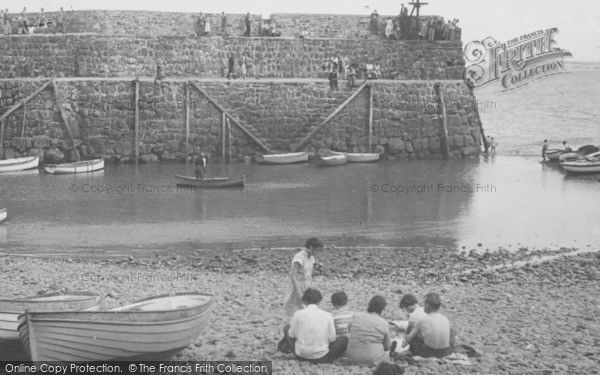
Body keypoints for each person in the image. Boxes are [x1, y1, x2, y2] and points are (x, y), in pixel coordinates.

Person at [283, 288, 349, 362]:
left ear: (304, 301)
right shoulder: (328, 315)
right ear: (320, 301)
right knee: (344, 339)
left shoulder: (298, 314)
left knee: (287, 327)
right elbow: (332, 339)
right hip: (322, 357)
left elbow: (292, 335)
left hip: (300, 355)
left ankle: (284, 348)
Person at [344, 295, 392, 366]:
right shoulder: (383, 323)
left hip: (352, 358)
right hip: (373, 361)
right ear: (382, 309)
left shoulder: (357, 316)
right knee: (388, 351)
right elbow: (387, 346)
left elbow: (348, 330)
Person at [283, 237, 324, 317]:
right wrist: (299, 292)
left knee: (308, 307)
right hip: (298, 285)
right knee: (296, 309)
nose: (317, 253)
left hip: (307, 285)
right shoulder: (299, 257)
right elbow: (292, 276)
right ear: (311, 247)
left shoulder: (311, 257)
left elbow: (310, 273)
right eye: (317, 250)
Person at [405, 293, 453, 358]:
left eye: (424, 304)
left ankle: (412, 353)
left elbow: (408, 339)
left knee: (411, 327)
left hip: (429, 353)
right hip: (445, 352)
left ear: (428, 305)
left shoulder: (423, 320)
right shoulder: (445, 319)